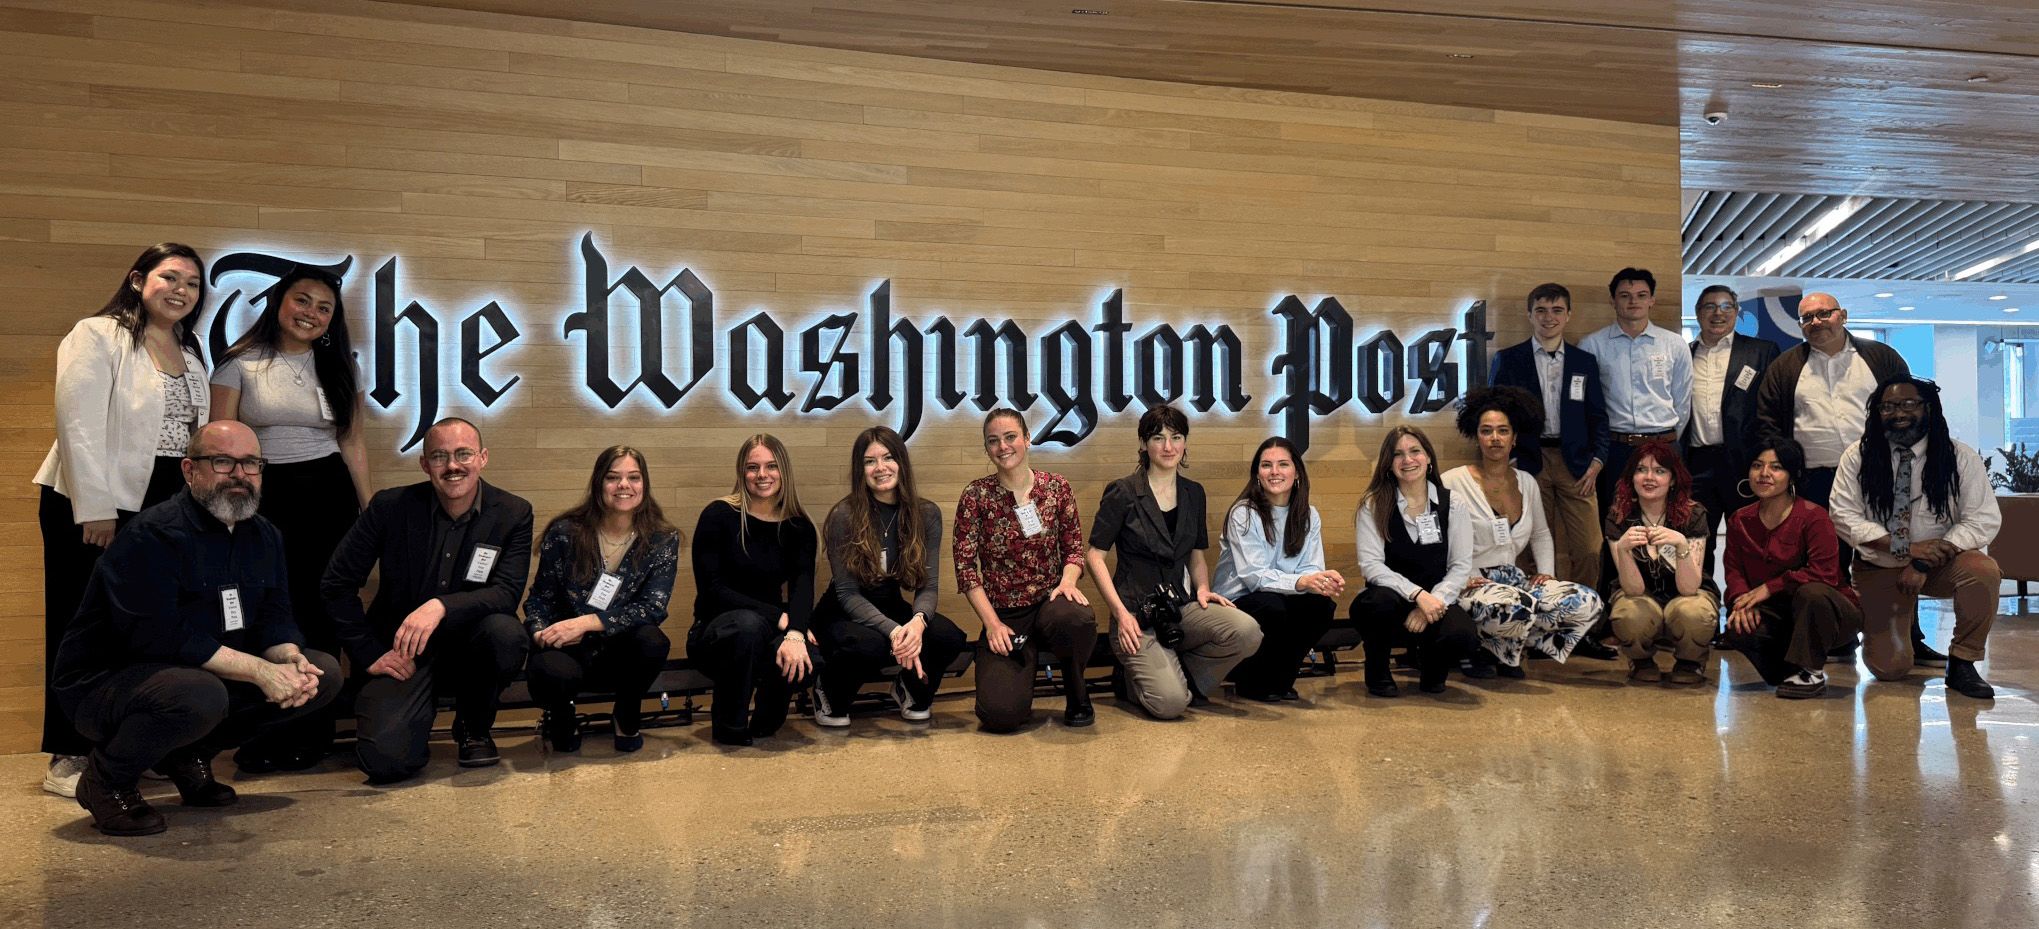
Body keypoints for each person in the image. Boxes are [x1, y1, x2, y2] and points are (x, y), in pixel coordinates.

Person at [53, 421, 340, 836]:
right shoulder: (153, 535)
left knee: (322, 674)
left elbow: (274, 617)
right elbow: (159, 637)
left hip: (198, 676)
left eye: (251, 463)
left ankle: (190, 757)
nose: (240, 475)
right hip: (106, 685)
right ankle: (106, 781)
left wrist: (289, 659)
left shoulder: (265, 535)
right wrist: (260, 671)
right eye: (223, 462)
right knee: (199, 693)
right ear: (190, 471)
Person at [34, 243, 211, 798]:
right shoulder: (97, 334)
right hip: (94, 499)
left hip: (162, 500)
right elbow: (77, 422)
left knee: (143, 627)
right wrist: (96, 507)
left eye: (192, 283)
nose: (180, 290)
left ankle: (132, 743)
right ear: (138, 280)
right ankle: (67, 755)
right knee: (78, 626)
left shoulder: (192, 348)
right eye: (169, 277)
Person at [209, 264, 370, 772]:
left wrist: (368, 511)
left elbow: (353, 442)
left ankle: (314, 731)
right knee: (272, 610)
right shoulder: (239, 363)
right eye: (303, 301)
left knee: (324, 608)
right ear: (280, 302)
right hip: (262, 495)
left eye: (324, 308)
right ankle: (269, 729)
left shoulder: (341, 367)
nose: (312, 314)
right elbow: (220, 439)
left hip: (328, 493)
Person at [321, 418, 533, 782]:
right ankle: (412, 722)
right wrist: (370, 653)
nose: (453, 466)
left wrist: (441, 606)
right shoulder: (390, 507)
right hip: (401, 653)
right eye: (439, 456)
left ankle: (473, 728)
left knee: (506, 634)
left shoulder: (513, 512)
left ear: (482, 458)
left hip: (471, 646)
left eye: (463, 453)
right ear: (424, 464)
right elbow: (336, 585)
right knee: (386, 762)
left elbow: (506, 592)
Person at [1753, 292, 1914, 656]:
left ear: (1842, 315)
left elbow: (1909, 407)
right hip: (1814, 479)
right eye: (1806, 318)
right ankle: (1837, 636)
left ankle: (1909, 637)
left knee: (1892, 553)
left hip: (1879, 474)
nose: (1816, 322)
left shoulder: (1880, 357)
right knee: (1827, 561)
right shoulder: (1785, 366)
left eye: (1823, 314)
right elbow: (1767, 423)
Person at [1086, 405, 1263, 718]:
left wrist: (1204, 589)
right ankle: (1134, 679)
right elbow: (1094, 557)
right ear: (1143, 444)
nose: (1168, 447)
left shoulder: (1194, 493)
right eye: (1158, 438)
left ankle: (1181, 677)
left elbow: (1196, 555)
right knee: (1170, 706)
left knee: (1247, 631)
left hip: (1179, 609)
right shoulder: (1123, 492)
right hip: (1136, 617)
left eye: (1176, 437)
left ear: (1184, 443)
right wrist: (1120, 614)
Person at [1829, 378, 2000, 699]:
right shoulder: (1858, 456)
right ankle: (1899, 622)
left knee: (1983, 570)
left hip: (1940, 565)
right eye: (1889, 406)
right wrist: (1902, 547)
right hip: (1879, 566)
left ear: (1928, 408)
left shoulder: (1959, 458)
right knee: (1889, 669)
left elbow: (1982, 519)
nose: (1898, 413)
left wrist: (1922, 560)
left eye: (1909, 404)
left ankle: (1963, 662)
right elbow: (1843, 515)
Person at [523, 447, 678, 754]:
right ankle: (562, 715)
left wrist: (589, 623)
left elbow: (652, 607)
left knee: (653, 641)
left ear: (644, 485)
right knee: (552, 674)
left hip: (620, 648)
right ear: (598, 484)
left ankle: (626, 712)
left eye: (634, 478)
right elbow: (539, 598)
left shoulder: (662, 539)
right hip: (568, 648)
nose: (624, 485)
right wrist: (541, 632)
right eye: (613, 477)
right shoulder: (566, 532)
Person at [810, 427, 968, 726]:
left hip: (889, 602)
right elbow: (847, 593)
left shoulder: (927, 514)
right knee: (870, 644)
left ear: (902, 462)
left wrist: (917, 622)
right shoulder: (843, 515)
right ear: (861, 470)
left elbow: (928, 586)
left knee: (948, 637)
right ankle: (827, 691)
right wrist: (895, 631)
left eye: (888, 457)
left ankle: (910, 688)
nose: (880, 468)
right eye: (870, 461)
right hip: (843, 610)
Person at [1442, 388, 1604, 679]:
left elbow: (1541, 534)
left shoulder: (1527, 482)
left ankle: (1512, 645)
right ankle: (1478, 649)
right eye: (1487, 431)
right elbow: (1437, 540)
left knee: (1586, 602)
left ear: (1514, 438)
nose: (1495, 438)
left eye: (1503, 431)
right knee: (1514, 604)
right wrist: (1458, 577)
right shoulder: (1453, 481)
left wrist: (1547, 574)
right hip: (1469, 580)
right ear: (1476, 436)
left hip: (1513, 580)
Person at [954, 409, 1099, 731]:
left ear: (1027, 439)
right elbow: (965, 567)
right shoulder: (976, 496)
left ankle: (1076, 689)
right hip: (1004, 613)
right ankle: (1021, 677)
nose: (1003, 447)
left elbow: (1074, 548)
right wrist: (991, 624)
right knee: (999, 716)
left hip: (1051, 599)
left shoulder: (1056, 488)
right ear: (987, 448)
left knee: (1076, 618)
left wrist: (1069, 581)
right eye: (993, 441)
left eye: (1010, 437)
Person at [688, 435, 819, 746]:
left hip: (768, 629)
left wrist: (796, 632)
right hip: (717, 633)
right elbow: (712, 590)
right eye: (753, 467)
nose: (763, 475)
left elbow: (803, 586)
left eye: (771, 466)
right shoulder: (718, 516)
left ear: (783, 470)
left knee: (812, 657)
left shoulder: (799, 526)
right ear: (741, 473)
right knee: (746, 627)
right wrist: (781, 618)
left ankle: (766, 721)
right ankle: (729, 727)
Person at [1488, 282, 1611, 591]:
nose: (1549, 317)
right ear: (1529, 315)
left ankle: (1583, 615)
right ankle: (1535, 613)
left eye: (1557, 310)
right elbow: (1495, 413)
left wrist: (1597, 461)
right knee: (1528, 546)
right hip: (1528, 461)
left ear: (1568, 315)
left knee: (1589, 547)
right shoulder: (1509, 359)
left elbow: (1598, 416)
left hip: (1578, 463)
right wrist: (1507, 460)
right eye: (1541, 310)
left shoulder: (1585, 362)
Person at [1720, 438, 1860, 699]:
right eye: (1757, 465)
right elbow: (1734, 571)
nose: (1764, 474)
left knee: (1812, 593)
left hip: (1829, 612)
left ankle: (1811, 671)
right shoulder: (1740, 520)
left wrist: (1769, 587)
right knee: (1737, 625)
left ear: (1792, 475)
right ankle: (1791, 672)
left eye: (1776, 467)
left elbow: (1825, 574)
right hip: (1778, 614)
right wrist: (1740, 601)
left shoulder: (1814, 516)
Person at [1349, 426, 1481, 697]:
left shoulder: (1452, 503)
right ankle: (1378, 671)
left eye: (1415, 451)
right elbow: (1371, 566)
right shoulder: (1373, 504)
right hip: (1392, 600)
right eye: (1398, 454)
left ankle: (1432, 670)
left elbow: (1460, 566)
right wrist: (1416, 595)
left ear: (1429, 457)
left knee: (1463, 636)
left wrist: (1430, 604)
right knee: (1376, 604)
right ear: (1389, 463)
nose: (1407, 460)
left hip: (1437, 601)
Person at [1212, 437, 1343, 702]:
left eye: (1283, 464)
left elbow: (1311, 567)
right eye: (1266, 465)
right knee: (1273, 607)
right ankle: (1249, 680)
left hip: (1281, 595)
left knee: (1321, 606)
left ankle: (1280, 678)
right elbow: (1254, 576)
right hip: (1238, 599)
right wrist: (1302, 582)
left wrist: (1322, 581)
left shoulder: (1308, 514)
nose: (1274, 472)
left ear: (1296, 472)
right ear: (1257, 474)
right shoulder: (1243, 513)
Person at [1681, 285, 1780, 579]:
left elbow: (1774, 408)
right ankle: (1703, 613)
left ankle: (1750, 611)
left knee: (1750, 541)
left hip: (1744, 464)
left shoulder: (1761, 351)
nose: (1718, 313)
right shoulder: (1684, 355)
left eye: (1726, 306)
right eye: (1710, 306)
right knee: (1698, 541)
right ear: (1698, 314)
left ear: (1737, 313)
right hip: (1696, 464)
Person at [1603, 441, 1718, 685]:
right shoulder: (1619, 516)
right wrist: (1623, 550)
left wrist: (1682, 545)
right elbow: (1633, 590)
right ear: (1631, 477)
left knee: (1692, 611)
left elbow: (1689, 588)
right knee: (1629, 613)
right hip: (1641, 596)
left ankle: (1690, 662)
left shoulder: (1693, 514)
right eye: (1641, 470)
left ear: (1673, 479)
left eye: (1660, 471)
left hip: (1687, 594)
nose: (1649, 477)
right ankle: (1641, 661)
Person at [1578, 268, 1693, 509]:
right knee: (1614, 518)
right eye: (1625, 295)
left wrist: (1665, 439)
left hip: (1664, 445)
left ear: (1652, 300)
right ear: (1613, 300)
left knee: (1667, 518)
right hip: (1616, 448)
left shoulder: (1674, 344)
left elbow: (1682, 402)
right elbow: (1586, 404)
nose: (1634, 301)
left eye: (1641, 295)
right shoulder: (1592, 345)